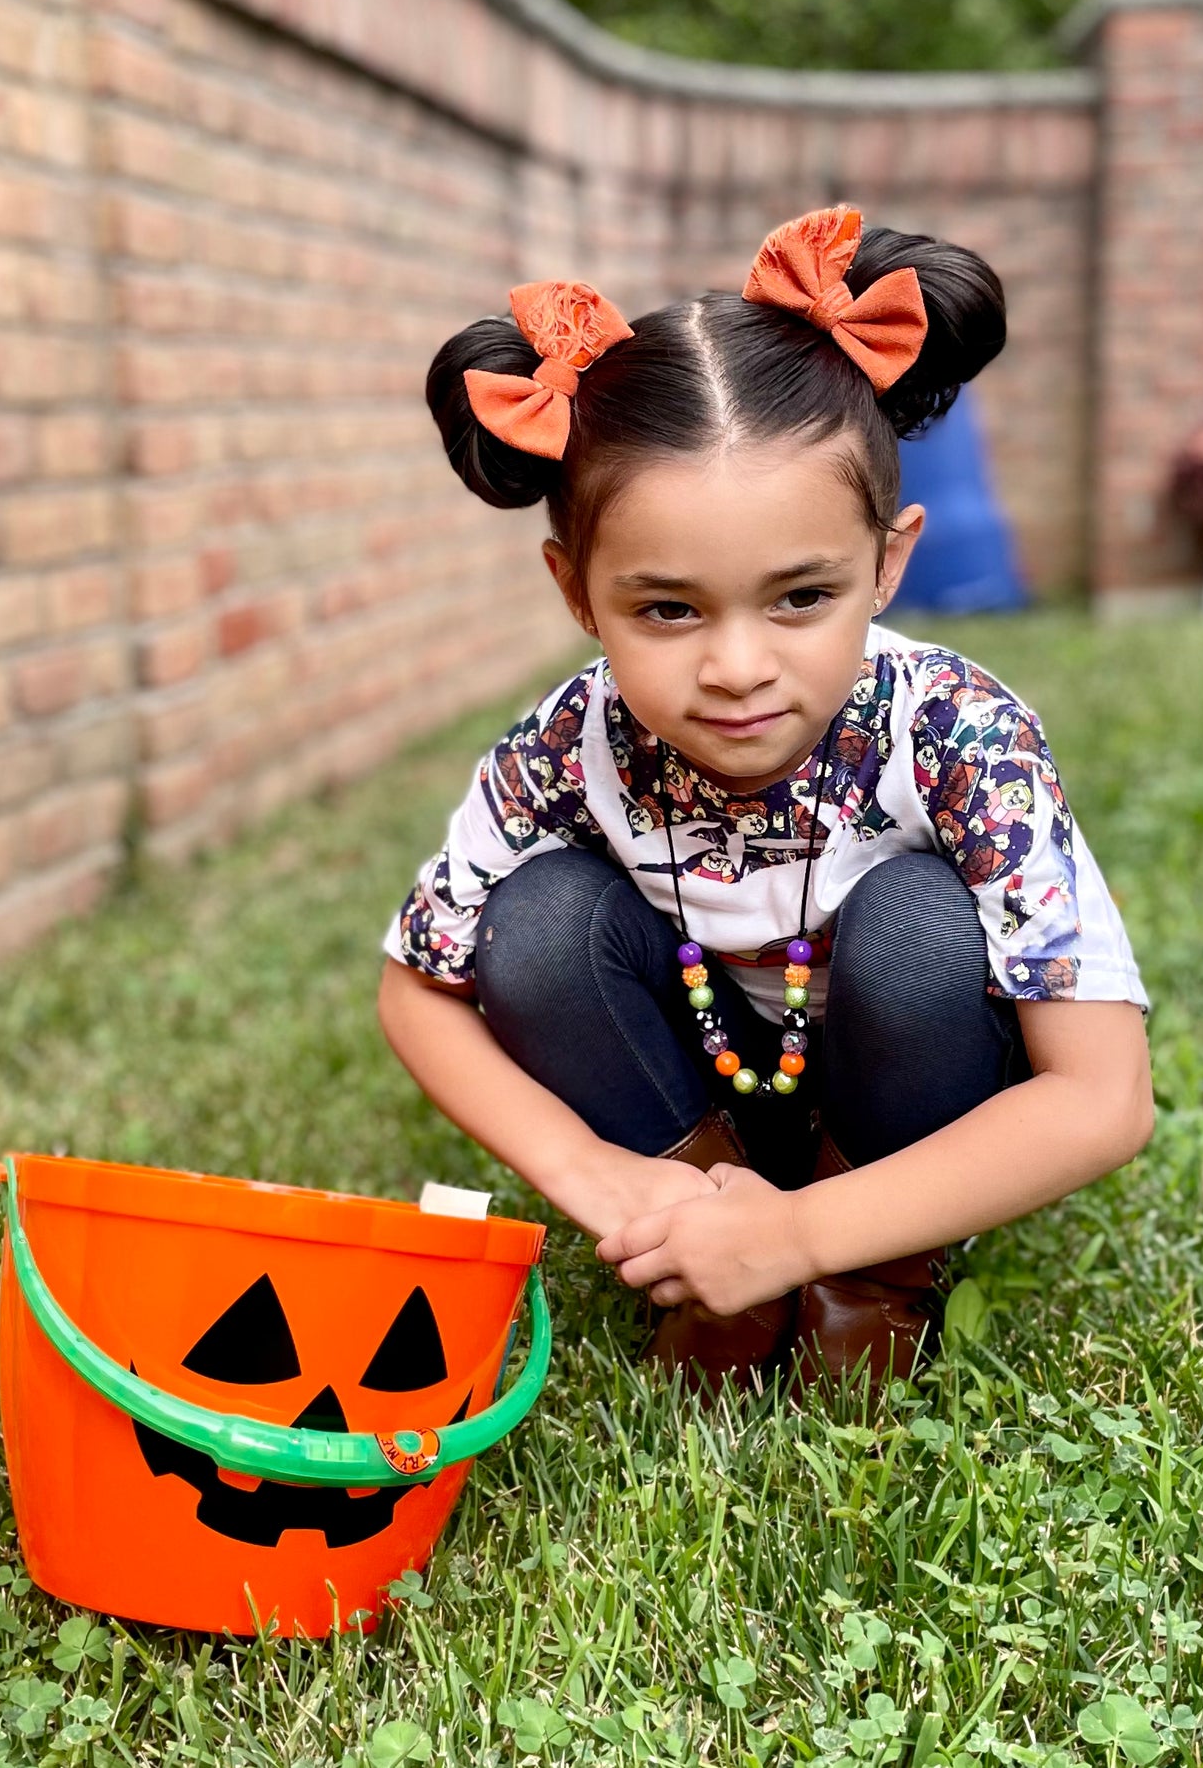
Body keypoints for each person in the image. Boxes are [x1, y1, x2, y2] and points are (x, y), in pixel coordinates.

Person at [377, 206, 1152, 1399]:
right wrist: (604, 1180)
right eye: (668, 610)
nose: (736, 666)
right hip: (692, 1099)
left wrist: (801, 1236)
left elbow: (1101, 1099)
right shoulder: (562, 745)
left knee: (914, 921)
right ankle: (700, 1256)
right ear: (576, 590)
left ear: (887, 565)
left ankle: (875, 1273)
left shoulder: (958, 734)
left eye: (798, 597)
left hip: (899, 1101)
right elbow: (418, 989)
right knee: (532, 919)